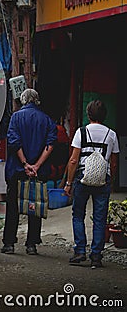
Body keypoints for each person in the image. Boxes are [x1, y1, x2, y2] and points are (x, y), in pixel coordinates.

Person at [1, 88, 57, 256]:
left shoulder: (16, 118)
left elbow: (14, 142)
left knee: (13, 207)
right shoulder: (47, 120)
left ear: (23, 100)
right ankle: (31, 244)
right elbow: (51, 144)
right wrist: (37, 166)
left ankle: (9, 243)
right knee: (35, 206)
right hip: (38, 173)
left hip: (17, 171)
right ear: (37, 100)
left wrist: (25, 164)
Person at [64, 100, 119, 268]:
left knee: (78, 214)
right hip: (103, 179)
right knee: (100, 219)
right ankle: (96, 255)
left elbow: (74, 160)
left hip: (82, 178)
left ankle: (80, 251)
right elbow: (114, 163)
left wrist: (68, 183)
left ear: (88, 115)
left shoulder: (81, 132)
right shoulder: (111, 134)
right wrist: (111, 181)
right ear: (104, 116)